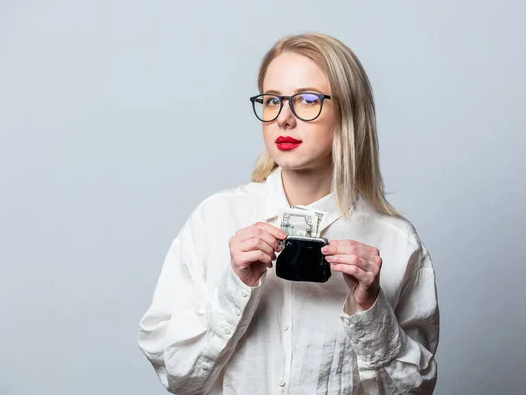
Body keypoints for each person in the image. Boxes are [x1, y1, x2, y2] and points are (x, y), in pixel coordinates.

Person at [137, 32, 439, 395]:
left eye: (307, 100)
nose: (284, 119)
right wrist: (235, 288)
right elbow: (177, 376)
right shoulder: (215, 219)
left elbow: (416, 390)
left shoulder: (395, 241)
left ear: (348, 112)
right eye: (272, 101)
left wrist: (370, 307)